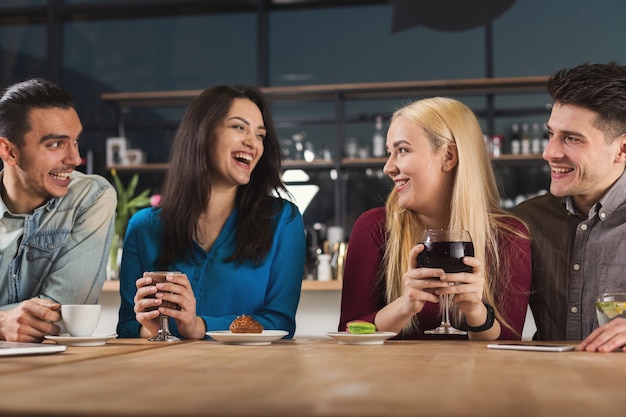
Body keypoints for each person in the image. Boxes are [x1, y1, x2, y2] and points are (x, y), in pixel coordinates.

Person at [117, 84, 306, 340]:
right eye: (239, 127)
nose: (253, 143)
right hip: (164, 373)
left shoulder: (283, 220)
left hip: (254, 374)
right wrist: (148, 327)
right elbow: (127, 325)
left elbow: (279, 322)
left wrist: (198, 326)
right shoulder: (143, 227)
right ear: (203, 133)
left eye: (260, 135)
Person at [339, 97, 531, 340]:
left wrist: (475, 310)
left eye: (402, 150)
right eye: (390, 152)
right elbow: (348, 331)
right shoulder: (373, 227)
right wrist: (405, 305)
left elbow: (508, 343)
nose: (388, 167)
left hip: (479, 378)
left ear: (448, 157)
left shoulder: (508, 236)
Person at [513, 62, 626, 352]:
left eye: (572, 138)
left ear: (622, 149)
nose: (549, 152)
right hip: (545, 389)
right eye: (551, 134)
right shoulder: (526, 220)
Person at [0, 78, 116, 342]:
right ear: (9, 151)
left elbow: (66, 311)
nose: (75, 159)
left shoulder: (90, 197)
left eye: (76, 141)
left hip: (56, 371)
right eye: (55, 144)